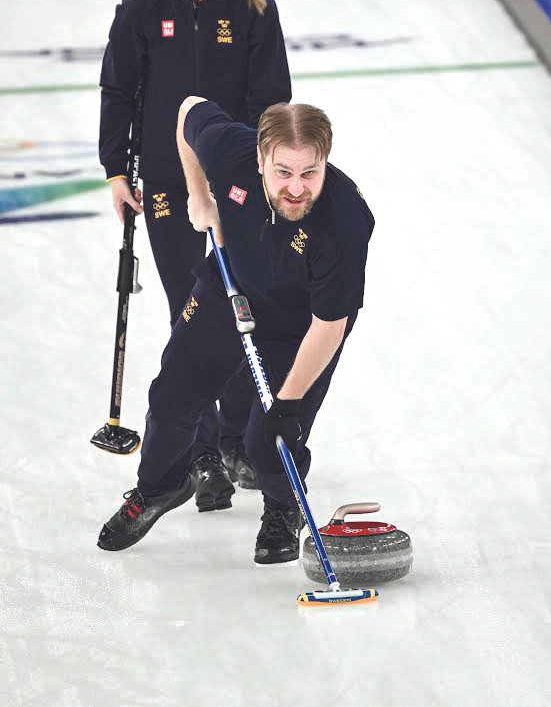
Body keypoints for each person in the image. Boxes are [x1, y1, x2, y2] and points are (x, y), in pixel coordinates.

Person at [97, 96, 374, 564]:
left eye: (310, 172)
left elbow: (329, 326)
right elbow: (187, 109)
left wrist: (286, 405)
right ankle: (161, 487)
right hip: (232, 289)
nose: (296, 188)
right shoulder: (230, 151)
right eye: (282, 172)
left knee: (268, 440)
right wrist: (199, 194)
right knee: (172, 398)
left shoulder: (345, 222)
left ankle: (284, 508)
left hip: (300, 327)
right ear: (260, 157)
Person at [99, 0, 291, 509]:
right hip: (164, 182)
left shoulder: (255, 9)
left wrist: (266, 175)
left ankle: (238, 438)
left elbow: (272, 104)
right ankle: (205, 450)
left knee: (242, 307)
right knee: (192, 310)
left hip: (236, 181)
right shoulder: (139, 9)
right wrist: (114, 170)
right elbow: (119, 91)